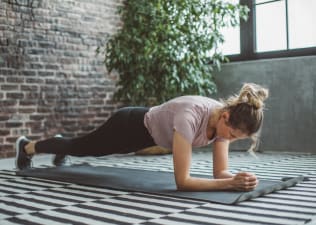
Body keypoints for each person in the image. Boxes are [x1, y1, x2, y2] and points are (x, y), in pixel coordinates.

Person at [15, 83, 268, 192]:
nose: (229, 140)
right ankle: (27, 146)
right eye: (232, 135)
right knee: (81, 148)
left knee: (79, 146)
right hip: (127, 126)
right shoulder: (190, 116)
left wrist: (237, 178)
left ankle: (63, 144)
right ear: (225, 116)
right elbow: (182, 181)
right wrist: (228, 184)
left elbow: (220, 173)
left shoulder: (225, 122)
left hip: (144, 136)